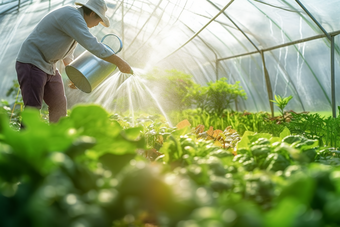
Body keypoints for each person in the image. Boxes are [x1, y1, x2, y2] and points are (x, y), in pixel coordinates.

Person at [15, 0, 132, 123]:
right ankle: (24, 141)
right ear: (92, 13)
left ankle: (58, 138)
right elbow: (93, 45)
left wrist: (74, 76)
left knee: (59, 104)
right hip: (33, 62)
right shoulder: (72, 16)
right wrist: (120, 62)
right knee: (33, 109)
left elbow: (67, 54)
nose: (98, 24)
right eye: (98, 20)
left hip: (49, 66)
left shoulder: (76, 21)